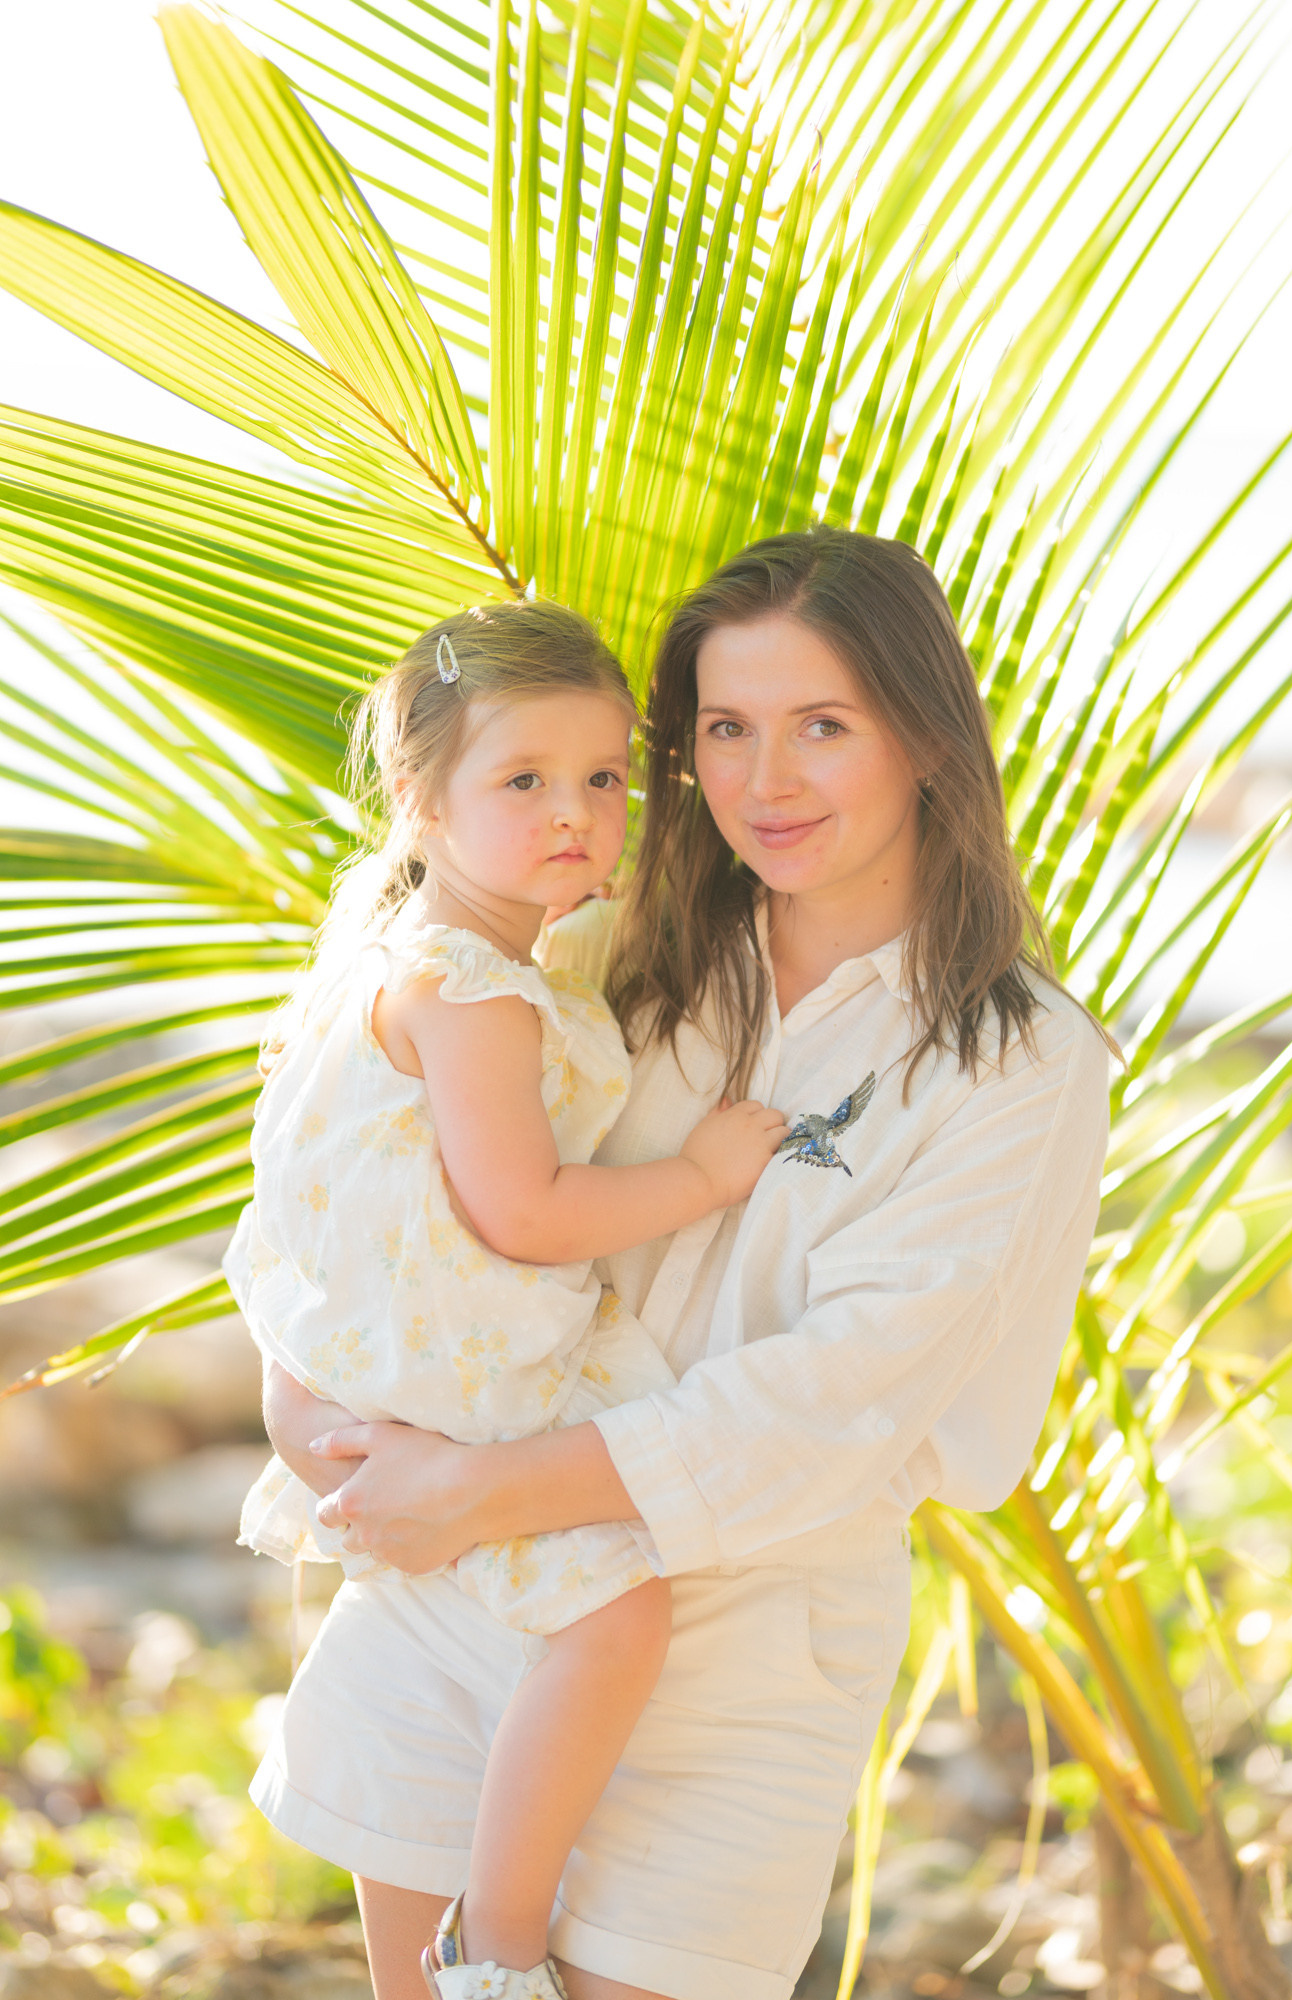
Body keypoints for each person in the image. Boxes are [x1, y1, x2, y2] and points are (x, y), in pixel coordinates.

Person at [259, 529, 1112, 2000]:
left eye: (822, 726)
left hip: (744, 1643)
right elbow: (356, 1177)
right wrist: (312, 1407)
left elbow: (834, 1401)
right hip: (464, 1587)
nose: (766, 780)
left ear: (923, 736)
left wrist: (474, 1489)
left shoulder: (1020, 1062)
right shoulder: (599, 960)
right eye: (726, 729)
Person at [223, 599, 788, 1999]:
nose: (575, 815)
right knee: (618, 1621)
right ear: (420, 799)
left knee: (513, 1638)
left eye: (603, 777)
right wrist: (703, 1177)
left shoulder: (379, 955)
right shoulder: (473, 992)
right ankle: (498, 1941)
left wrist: (291, 1376)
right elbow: (521, 1213)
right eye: (523, 780)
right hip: (458, 1386)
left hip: (364, 1368)